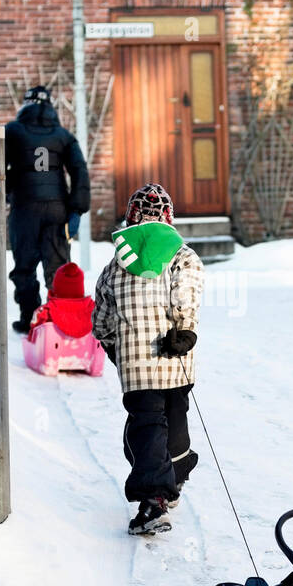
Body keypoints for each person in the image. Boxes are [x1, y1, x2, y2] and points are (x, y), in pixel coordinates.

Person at [93, 183, 204, 536]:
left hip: (136, 365)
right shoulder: (182, 256)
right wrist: (184, 330)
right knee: (175, 418)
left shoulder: (114, 267)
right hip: (177, 357)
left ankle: (155, 499)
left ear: (130, 217)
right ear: (169, 218)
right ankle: (176, 472)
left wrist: (112, 345)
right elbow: (186, 292)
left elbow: (102, 319)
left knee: (146, 426)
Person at [5, 85, 90, 333]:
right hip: (57, 208)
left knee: (24, 266)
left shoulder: (12, 131)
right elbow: (80, 171)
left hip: (25, 207)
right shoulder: (63, 135)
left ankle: (29, 318)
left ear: (25, 104)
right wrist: (77, 209)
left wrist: (8, 189)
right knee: (58, 266)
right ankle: (62, 320)